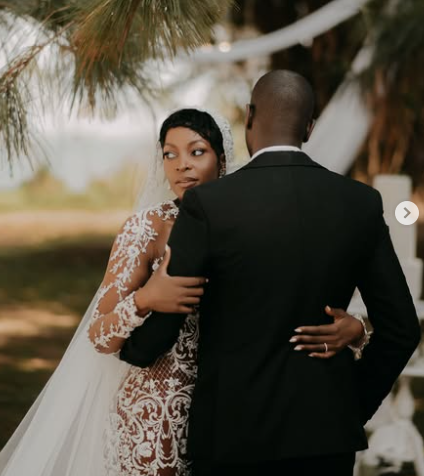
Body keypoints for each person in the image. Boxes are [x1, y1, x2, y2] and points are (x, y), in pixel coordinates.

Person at [0, 107, 366, 476]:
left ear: (222, 159)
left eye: (196, 151)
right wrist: (145, 299)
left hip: (232, 412)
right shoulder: (148, 227)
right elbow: (99, 336)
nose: (182, 165)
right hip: (156, 414)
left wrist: (357, 329)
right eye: (169, 154)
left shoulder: (254, 224)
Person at [119, 73, 421, 476]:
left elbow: (167, 322)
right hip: (325, 438)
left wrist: (130, 349)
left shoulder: (208, 204)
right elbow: (402, 329)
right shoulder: (359, 202)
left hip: (230, 437)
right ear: (309, 128)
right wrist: (350, 406)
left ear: (249, 116)